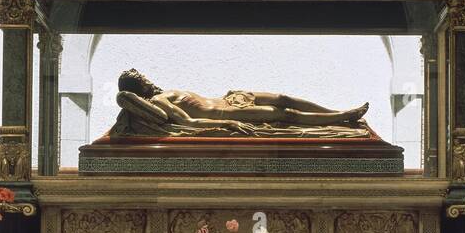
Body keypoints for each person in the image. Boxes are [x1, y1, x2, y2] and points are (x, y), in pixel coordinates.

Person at [108, 69, 369, 138]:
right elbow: (188, 122)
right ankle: (342, 118)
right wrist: (229, 122)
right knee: (285, 114)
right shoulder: (159, 102)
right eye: (142, 80)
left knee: (284, 98)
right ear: (139, 90)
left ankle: (338, 111)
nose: (148, 80)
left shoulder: (166, 91)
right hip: (227, 110)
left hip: (232, 97)